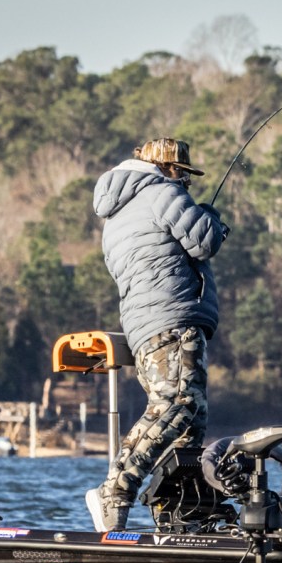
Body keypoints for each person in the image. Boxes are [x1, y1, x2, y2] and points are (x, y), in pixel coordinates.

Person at [87, 137, 229, 531]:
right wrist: (210, 215)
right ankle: (114, 491)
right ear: (167, 168)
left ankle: (180, 516)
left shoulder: (116, 214)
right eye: (183, 174)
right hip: (173, 318)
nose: (186, 182)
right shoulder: (162, 192)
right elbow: (204, 241)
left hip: (145, 325)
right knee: (177, 404)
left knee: (189, 422)